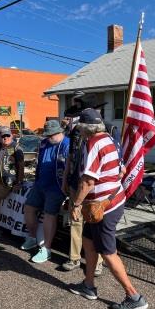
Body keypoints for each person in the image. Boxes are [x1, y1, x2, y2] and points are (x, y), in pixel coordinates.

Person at [68, 108, 148, 309]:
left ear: (85, 128)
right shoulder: (109, 139)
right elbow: (120, 169)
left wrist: (75, 204)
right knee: (88, 241)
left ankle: (134, 296)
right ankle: (88, 285)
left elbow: (87, 181)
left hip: (104, 206)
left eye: (79, 128)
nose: (78, 131)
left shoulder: (93, 144)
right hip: (111, 200)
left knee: (108, 251)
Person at [61, 92, 103, 276]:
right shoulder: (75, 132)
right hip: (75, 181)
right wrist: (65, 178)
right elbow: (70, 157)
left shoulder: (105, 130)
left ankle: (98, 262)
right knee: (75, 220)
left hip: (93, 184)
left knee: (94, 222)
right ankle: (74, 257)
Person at [21, 120, 69, 263]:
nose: (48, 138)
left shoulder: (67, 144)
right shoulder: (44, 143)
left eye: (51, 135)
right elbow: (39, 162)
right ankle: (33, 237)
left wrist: (65, 189)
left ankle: (46, 249)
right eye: (47, 135)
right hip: (40, 184)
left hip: (57, 187)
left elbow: (69, 169)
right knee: (28, 208)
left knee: (49, 215)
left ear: (59, 132)